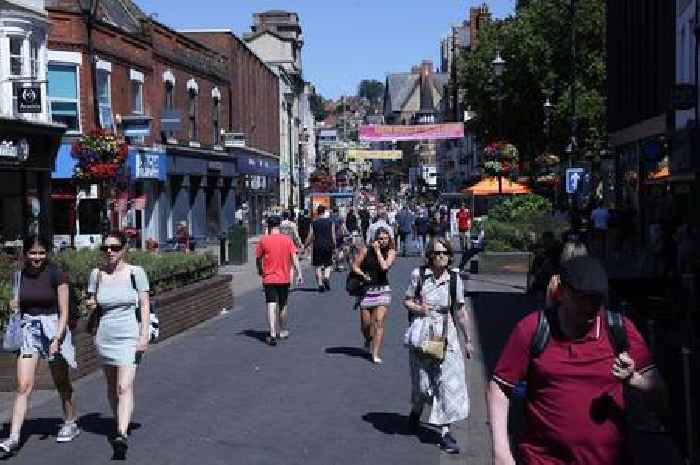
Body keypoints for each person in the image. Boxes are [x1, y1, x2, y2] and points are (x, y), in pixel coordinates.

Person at [487, 256, 667, 465]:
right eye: (583, 297)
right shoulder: (532, 330)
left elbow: (662, 399)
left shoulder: (620, 330)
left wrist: (637, 381)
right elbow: (499, 387)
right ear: (562, 292)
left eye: (597, 299)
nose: (591, 306)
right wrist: (501, 452)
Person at [0, 236, 79, 454]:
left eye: (41, 253)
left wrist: (57, 338)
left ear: (47, 253)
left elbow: (64, 311)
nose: (37, 257)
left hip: (53, 327)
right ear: (26, 254)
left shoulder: (56, 274)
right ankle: (13, 437)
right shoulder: (19, 276)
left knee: (60, 380)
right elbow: (19, 305)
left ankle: (71, 421)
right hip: (29, 331)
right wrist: (14, 305)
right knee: (23, 385)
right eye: (33, 253)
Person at [403, 237, 472, 454]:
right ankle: (417, 409)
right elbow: (407, 300)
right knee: (423, 385)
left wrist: (468, 339)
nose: (441, 256)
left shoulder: (454, 279)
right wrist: (419, 309)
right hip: (423, 334)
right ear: (429, 256)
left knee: (447, 384)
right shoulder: (419, 275)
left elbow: (460, 311)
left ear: (450, 255)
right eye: (436, 253)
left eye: (444, 253)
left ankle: (445, 433)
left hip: (446, 336)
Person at [85, 231, 150, 459]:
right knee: (112, 386)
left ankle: (121, 434)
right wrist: (90, 304)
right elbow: (90, 301)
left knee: (124, 386)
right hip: (105, 336)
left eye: (114, 247)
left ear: (123, 249)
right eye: (106, 248)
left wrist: (144, 336)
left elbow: (144, 305)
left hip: (129, 335)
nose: (109, 251)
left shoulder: (136, 273)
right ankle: (118, 421)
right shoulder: (97, 274)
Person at [351, 227, 396, 364]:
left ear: (389, 240)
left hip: (382, 290)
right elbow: (355, 266)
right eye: (380, 238)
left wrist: (377, 252)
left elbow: (385, 267)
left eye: (385, 239)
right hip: (367, 290)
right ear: (375, 239)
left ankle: (375, 353)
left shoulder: (391, 252)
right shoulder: (365, 250)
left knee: (379, 321)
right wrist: (363, 275)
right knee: (366, 325)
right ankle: (368, 339)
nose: (383, 241)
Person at [256, 216, 303, 346]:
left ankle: (272, 333)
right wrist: (299, 273)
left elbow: (258, 258)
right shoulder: (287, 240)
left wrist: (260, 270)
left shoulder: (263, 241)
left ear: (268, 226)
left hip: (269, 277)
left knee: (271, 304)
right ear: (279, 226)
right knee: (283, 304)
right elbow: (294, 258)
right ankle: (282, 331)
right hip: (284, 277)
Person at [305, 205, 336, 292]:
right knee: (328, 264)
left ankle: (320, 284)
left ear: (317, 212)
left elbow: (310, 236)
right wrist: (334, 245)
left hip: (317, 246)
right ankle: (326, 277)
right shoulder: (330, 222)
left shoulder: (313, 223)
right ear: (324, 212)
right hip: (328, 245)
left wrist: (305, 245)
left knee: (317, 266)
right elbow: (333, 235)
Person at [280, 211, 303, 285]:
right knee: (292, 265)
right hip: (291, 246)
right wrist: (299, 244)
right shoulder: (292, 224)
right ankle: (291, 281)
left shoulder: (280, 225)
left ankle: (284, 280)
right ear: (289, 216)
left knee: (283, 264)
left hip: (282, 246)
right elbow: (296, 236)